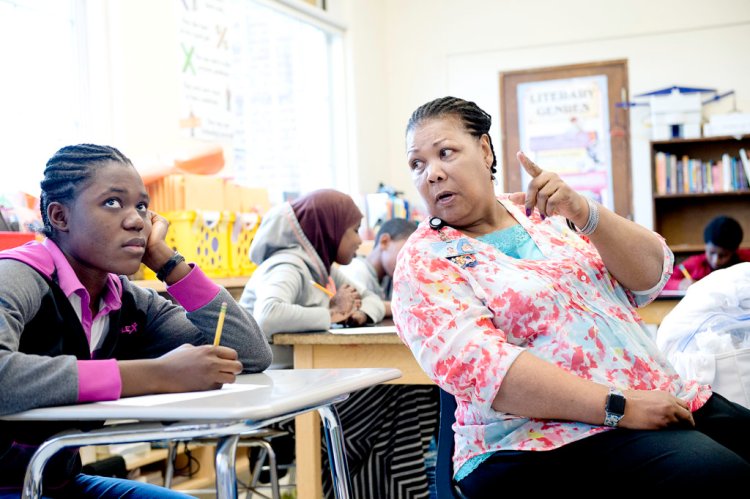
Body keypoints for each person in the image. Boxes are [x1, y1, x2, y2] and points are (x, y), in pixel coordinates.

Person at [392, 96, 750, 494]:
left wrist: (584, 211)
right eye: (417, 164)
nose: (433, 174)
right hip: (534, 441)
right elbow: (490, 372)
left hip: (659, 395)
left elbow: (649, 276)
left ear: (485, 149)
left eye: (446, 152)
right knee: (722, 477)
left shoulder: (544, 213)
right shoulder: (424, 262)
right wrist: (621, 406)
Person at [0, 144, 272, 498]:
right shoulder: (16, 276)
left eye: (142, 206)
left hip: (53, 485)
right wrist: (159, 375)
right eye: (113, 203)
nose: (136, 221)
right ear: (59, 217)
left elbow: (249, 355)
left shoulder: (128, 299)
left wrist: (167, 262)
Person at [239, 189, 438, 499]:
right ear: (328, 228)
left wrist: (358, 315)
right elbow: (267, 315)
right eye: (354, 230)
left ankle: (394, 485)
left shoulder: (322, 267)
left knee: (412, 391)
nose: (360, 240)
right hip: (282, 397)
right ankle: (392, 486)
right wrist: (329, 313)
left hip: (303, 384)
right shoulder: (288, 265)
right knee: (399, 389)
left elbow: (371, 300)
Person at [339, 217, 418, 318]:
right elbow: (354, 307)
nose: (410, 261)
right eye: (407, 253)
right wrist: (402, 307)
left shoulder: (390, 277)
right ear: (384, 242)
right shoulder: (355, 268)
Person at [664, 215, 750, 290]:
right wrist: (679, 285)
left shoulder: (746, 260)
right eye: (711, 253)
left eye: (723, 255)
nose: (716, 260)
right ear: (706, 247)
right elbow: (663, 282)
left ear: (734, 251)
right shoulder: (696, 263)